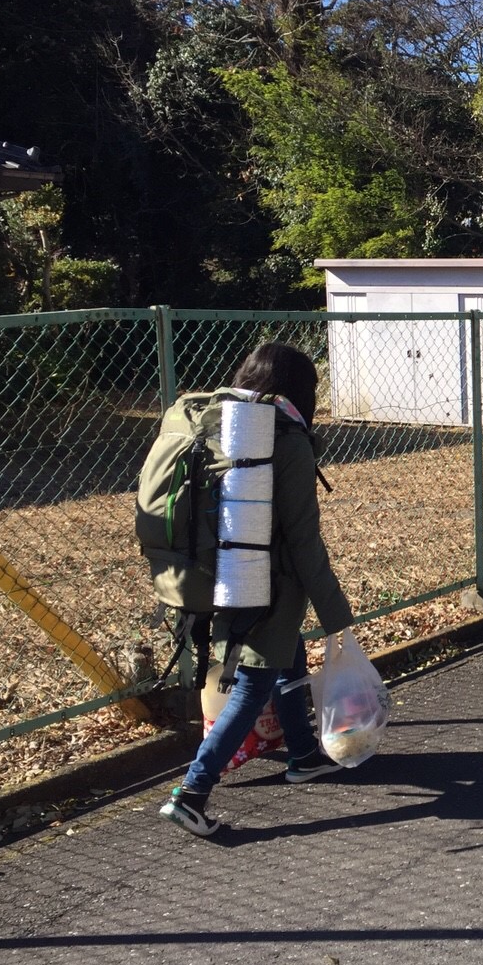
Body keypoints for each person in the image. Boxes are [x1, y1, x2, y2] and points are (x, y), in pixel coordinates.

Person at [159, 343, 355, 836]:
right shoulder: (286, 438)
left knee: (289, 652)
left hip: (216, 568)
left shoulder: (223, 423)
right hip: (266, 581)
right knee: (252, 684)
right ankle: (192, 793)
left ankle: (303, 753)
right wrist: (337, 615)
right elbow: (303, 539)